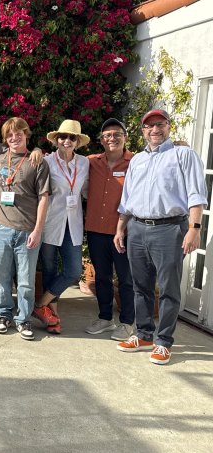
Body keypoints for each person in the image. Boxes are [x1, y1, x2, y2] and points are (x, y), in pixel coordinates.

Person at [115, 109, 207, 365]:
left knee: (168, 288)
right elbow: (127, 199)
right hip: (137, 228)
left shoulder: (184, 155)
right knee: (140, 286)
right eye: (149, 126)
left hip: (169, 229)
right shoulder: (137, 160)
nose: (155, 130)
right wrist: (121, 227)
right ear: (143, 131)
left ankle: (163, 341)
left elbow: (196, 195)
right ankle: (144, 334)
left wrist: (194, 228)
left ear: (169, 126)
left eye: (160, 124)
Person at [0, 117, 51, 341]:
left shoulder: (38, 162)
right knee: (2, 276)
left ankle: (23, 318)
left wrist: (38, 230)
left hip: (27, 230)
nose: (14, 138)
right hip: (1, 227)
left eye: (19, 133)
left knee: (26, 280)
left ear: (27, 134)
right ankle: (4, 314)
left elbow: (44, 198)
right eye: (9, 135)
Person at [33, 120, 90, 334]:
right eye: (63, 137)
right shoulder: (46, 161)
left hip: (72, 223)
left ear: (77, 142)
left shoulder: (85, 163)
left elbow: (87, 188)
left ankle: (40, 305)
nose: (67, 141)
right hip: (50, 222)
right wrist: (37, 149)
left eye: (72, 137)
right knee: (48, 269)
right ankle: (52, 316)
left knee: (73, 270)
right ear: (56, 139)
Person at [84, 119, 135, 341]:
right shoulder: (91, 162)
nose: (112, 138)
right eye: (107, 135)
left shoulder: (136, 162)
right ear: (101, 140)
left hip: (124, 232)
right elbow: (60, 159)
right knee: (102, 277)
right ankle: (105, 318)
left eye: (117, 134)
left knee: (126, 279)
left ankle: (127, 323)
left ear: (125, 137)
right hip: (96, 229)